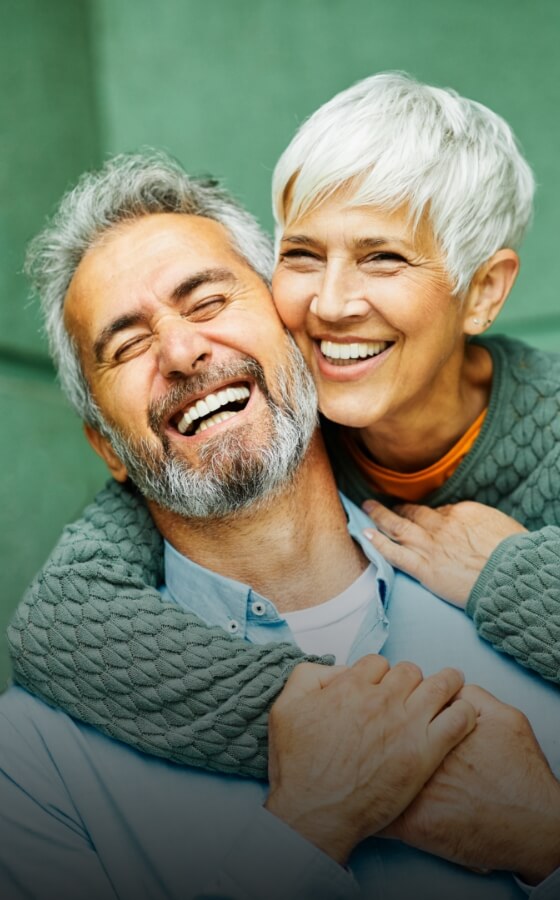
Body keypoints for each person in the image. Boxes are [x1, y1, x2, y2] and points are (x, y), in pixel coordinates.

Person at [3, 151, 560, 899]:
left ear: (299, 334)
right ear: (108, 447)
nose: (181, 350)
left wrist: (544, 835)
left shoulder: (525, 609)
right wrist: (305, 829)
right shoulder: (34, 761)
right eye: (127, 345)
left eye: (207, 302)